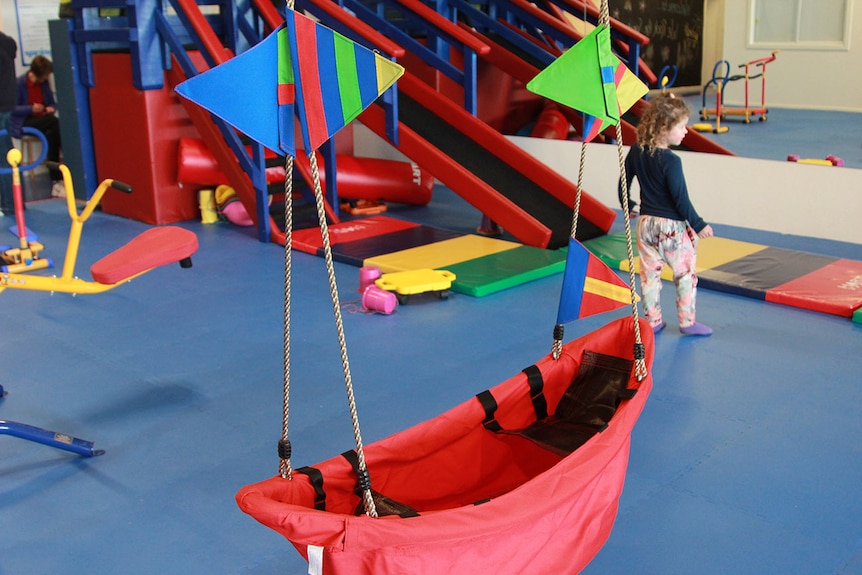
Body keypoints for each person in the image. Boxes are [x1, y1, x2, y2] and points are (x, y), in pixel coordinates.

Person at [619, 93, 714, 336]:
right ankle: (687, 322)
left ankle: (652, 321)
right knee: (684, 275)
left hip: (645, 224)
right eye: (681, 126)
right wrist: (698, 223)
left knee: (649, 275)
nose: (686, 132)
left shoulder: (636, 151)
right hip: (671, 228)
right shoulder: (672, 161)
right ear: (663, 128)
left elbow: (623, 182)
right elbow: (680, 198)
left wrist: (626, 203)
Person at [10, 54, 64, 197]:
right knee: (55, 123)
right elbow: (13, 108)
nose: (47, 78)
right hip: (25, 121)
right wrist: (31, 108)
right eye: (45, 75)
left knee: (52, 133)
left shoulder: (44, 84)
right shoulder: (19, 84)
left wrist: (50, 108)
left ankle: (56, 179)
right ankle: (63, 163)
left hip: (43, 119)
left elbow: (52, 103)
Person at [0, 30, 17, 214]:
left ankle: (9, 204)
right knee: (7, 154)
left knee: (3, 158)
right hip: (7, 105)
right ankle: (14, 201)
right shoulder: (6, 43)